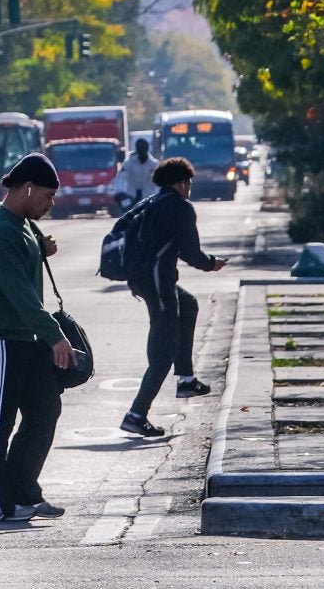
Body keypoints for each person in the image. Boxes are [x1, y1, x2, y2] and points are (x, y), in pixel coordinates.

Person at [0, 151, 72, 524]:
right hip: (0, 340)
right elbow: (21, 297)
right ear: (27, 188)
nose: (51, 204)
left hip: (25, 339)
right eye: (47, 196)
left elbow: (29, 244)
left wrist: (42, 247)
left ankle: (24, 488)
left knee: (45, 410)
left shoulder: (20, 222)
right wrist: (55, 335)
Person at [119, 156, 224, 438]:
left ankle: (186, 378)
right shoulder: (179, 207)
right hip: (156, 282)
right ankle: (136, 414)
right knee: (162, 353)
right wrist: (211, 263)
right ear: (181, 182)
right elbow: (190, 252)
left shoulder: (152, 202)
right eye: (188, 182)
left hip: (142, 278)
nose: (189, 188)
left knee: (188, 304)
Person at [115, 136, 157, 212]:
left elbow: (160, 183)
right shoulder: (129, 163)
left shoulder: (154, 164)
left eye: (143, 149)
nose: (141, 151)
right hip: (132, 199)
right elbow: (121, 178)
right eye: (139, 149)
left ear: (147, 149)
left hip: (150, 199)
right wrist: (119, 193)